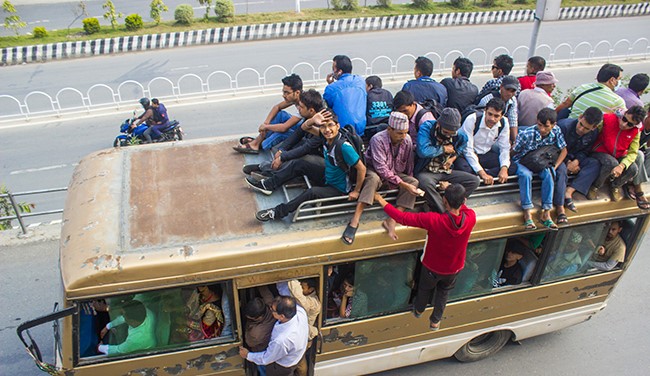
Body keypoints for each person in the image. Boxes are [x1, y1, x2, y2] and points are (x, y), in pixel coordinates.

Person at [374, 183, 476, 331]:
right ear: (464, 201)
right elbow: (463, 208)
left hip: (432, 268)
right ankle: (435, 321)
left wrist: (380, 199)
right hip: (454, 268)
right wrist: (452, 191)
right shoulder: (471, 217)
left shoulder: (434, 220)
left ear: (444, 201)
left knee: (424, 289)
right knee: (443, 292)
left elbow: (401, 217)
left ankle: (419, 310)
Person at [252, 115, 366, 222]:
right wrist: (313, 120)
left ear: (338, 126)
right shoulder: (326, 138)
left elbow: (362, 168)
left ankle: (277, 212)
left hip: (339, 188)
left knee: (311, 192)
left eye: (330, 125)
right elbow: (305, 127)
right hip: (328, 176)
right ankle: (269, 185)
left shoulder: (344, 147)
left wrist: (356, 191)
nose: (327, 129)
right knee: (299, 164)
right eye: (323, 126)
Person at [344, 112, 419, 244]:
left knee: (413, 181)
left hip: (394, 173)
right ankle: (355, 220)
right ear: (389, 129)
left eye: (405, 133)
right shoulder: (377, 140)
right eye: (399, 133)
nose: (403, 136)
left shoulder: (407, 140)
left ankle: (393, 219)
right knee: (373, 179)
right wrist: (404, 185)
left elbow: (409, 165)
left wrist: (408, 185)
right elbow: (381, 169)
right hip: (376, 172)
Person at [242, 89, 326, 180]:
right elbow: (298, 134)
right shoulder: (309, 117)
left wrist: (282, 157)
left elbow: (306, 148)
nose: (298, 109)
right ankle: (267, 166)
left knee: (301, 157)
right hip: (312, 150)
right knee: (289, 145)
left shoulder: (324, 124)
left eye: (301, 107)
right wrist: (282, 150)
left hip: (324, 162)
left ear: (311, 110)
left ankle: (271, 174)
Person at [415, 108, 480, 213]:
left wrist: (452, 158)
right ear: (439, 124)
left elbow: (462, 145)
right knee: (424, 182)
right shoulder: (427, 127)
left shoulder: (459, 134)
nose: (448, 135)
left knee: (474, 181)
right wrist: (443, 149)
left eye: (452, 133)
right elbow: (423, 151)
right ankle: (445, 212)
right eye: (445, 132)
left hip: (445, 170)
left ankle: (452, 203)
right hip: (427, 171)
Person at [513, 108, 567, 230]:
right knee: (525, 175)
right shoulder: (527, 134)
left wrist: (555, 166)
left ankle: (546, 212)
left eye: (546, 127)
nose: (542, 130)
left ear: (553, 125)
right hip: (524, 161)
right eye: (540, 125)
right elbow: (514, 152)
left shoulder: (557, 131)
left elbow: (564, 150)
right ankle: (527, 211)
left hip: (541, 161)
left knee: (549, 174)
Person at [586, 106, 647, 202]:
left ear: (635, 125)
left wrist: (622, 165)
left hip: (618, 154)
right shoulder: (607, 119)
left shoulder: (636, 132)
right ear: (624, 114)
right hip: (599, 151)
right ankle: (595, 186)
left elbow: (633, 152)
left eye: (629, 124)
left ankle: (615, 185)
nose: (624, 124)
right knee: (611, 163)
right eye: (624, 119)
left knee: (633, 169)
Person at [239, 296, 309, 376]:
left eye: (272, 310)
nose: (270, 310)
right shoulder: (300, 312)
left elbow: (267, 358)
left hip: (282, 366)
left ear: (282, 316)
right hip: (298, 355)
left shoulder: (282, 340)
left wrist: (248, 355)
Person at [234, 74, 303, 154]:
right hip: (299, 127)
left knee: (280, 133)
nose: (284, 95)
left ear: (297, 92)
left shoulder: (304, 105)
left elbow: (284, 127)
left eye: (287, 93)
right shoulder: (296, 98)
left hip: (304, 136)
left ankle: (259, 144)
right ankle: (257, 141)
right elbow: (277, 107)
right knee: (281, 115)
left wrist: (266, 127)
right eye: (283, 92)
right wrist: (266, 122)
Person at [557, 107, 604, 221]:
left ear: (594, 128)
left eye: (586, 128)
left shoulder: (593, 134)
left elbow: (586, 151)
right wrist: (568, 162)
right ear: (580, 117)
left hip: (576, 158)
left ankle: (570, 191)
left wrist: (577, 161)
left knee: (594, 164)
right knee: (561, 170)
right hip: (559, 157)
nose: (581, 129)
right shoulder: (564, 126)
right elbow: (555, 148)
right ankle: (560, 204)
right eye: (581, 124)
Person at [455, 97, 513, 185]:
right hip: (465, 156)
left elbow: (504, 148)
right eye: (490, 114)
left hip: (484, 155)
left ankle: (481, 175)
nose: (492, 119)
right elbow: (468, 150)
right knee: (464, 169)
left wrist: (504, 169)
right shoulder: (472, 119)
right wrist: (482, 173)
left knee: (512, 166)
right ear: (485, 111)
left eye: (496, 116)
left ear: (502, 115)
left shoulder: (504, 123)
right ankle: (481, 175)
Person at [555, 63, 626, 119]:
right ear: (612, 80)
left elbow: (565, 104)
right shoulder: (616, 100)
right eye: (619, 79)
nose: (619, 82)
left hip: (569, 127)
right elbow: (627, 118)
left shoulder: (583, 87)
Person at [323, 55, 367, 136]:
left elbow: (328, 106)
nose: (332, 72)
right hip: (361, 128)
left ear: (339, 71)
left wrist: (331, 85)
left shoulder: (331, 88)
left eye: (333, 69)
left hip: (342, 130)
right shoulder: (360, 80)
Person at [477, 75, 520, 144]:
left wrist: (515, 142)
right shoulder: (487, 99)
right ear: (501, 87)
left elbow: (513, 120)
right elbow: (479, 118)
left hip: (499, 129)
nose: (509, 93)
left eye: (513, 91)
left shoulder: (513, 100)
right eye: (507, 89)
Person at [243, 298, 276, 376]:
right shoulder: (271, 306)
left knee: (264, 371)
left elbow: (249, 342)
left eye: (249, 317)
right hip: (270, 350)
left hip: (262, 353)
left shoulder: (256, 333)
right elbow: (266, 293)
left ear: (259, 317)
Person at [365, 75, 393, 139]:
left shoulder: (367, 95)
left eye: (366, 86)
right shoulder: (388, 93)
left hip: (371, 130)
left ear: (370, 86)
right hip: (387, 128)